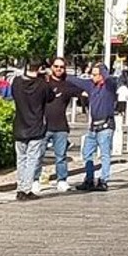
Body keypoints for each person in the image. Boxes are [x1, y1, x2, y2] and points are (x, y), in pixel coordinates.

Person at [41, 58, 88, 191]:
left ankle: (61, 180)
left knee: (61, 156)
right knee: (38, 155)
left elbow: (84, 92)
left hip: (61, 126)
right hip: (43, 126)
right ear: (51, 67)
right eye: (56, 66)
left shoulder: (67, 85)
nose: (58, 69)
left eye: (61, 67)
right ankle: (35, 180)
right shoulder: (44, 83)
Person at [10, 58, 49, 201]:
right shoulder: (42, 85)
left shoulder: (16, 82)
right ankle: (26, 189)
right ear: (40, 68)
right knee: (32, 159)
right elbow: (50, 97)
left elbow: (13, 93)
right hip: (36, 127)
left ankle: (20, 188)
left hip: (20, 125)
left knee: (21, 159)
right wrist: (44, 77)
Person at [81, 62, 120, 191]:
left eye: (95, 74)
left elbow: (110, 79)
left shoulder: (109, 86)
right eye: (91, 74)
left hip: (106, 126)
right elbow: (77, 81)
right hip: (93, 126)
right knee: (86, 152)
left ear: (102, 75)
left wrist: (102, 70)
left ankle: (103, 180)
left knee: (105, 154)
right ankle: (89, 178)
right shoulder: (92, 86)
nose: (92, 77)